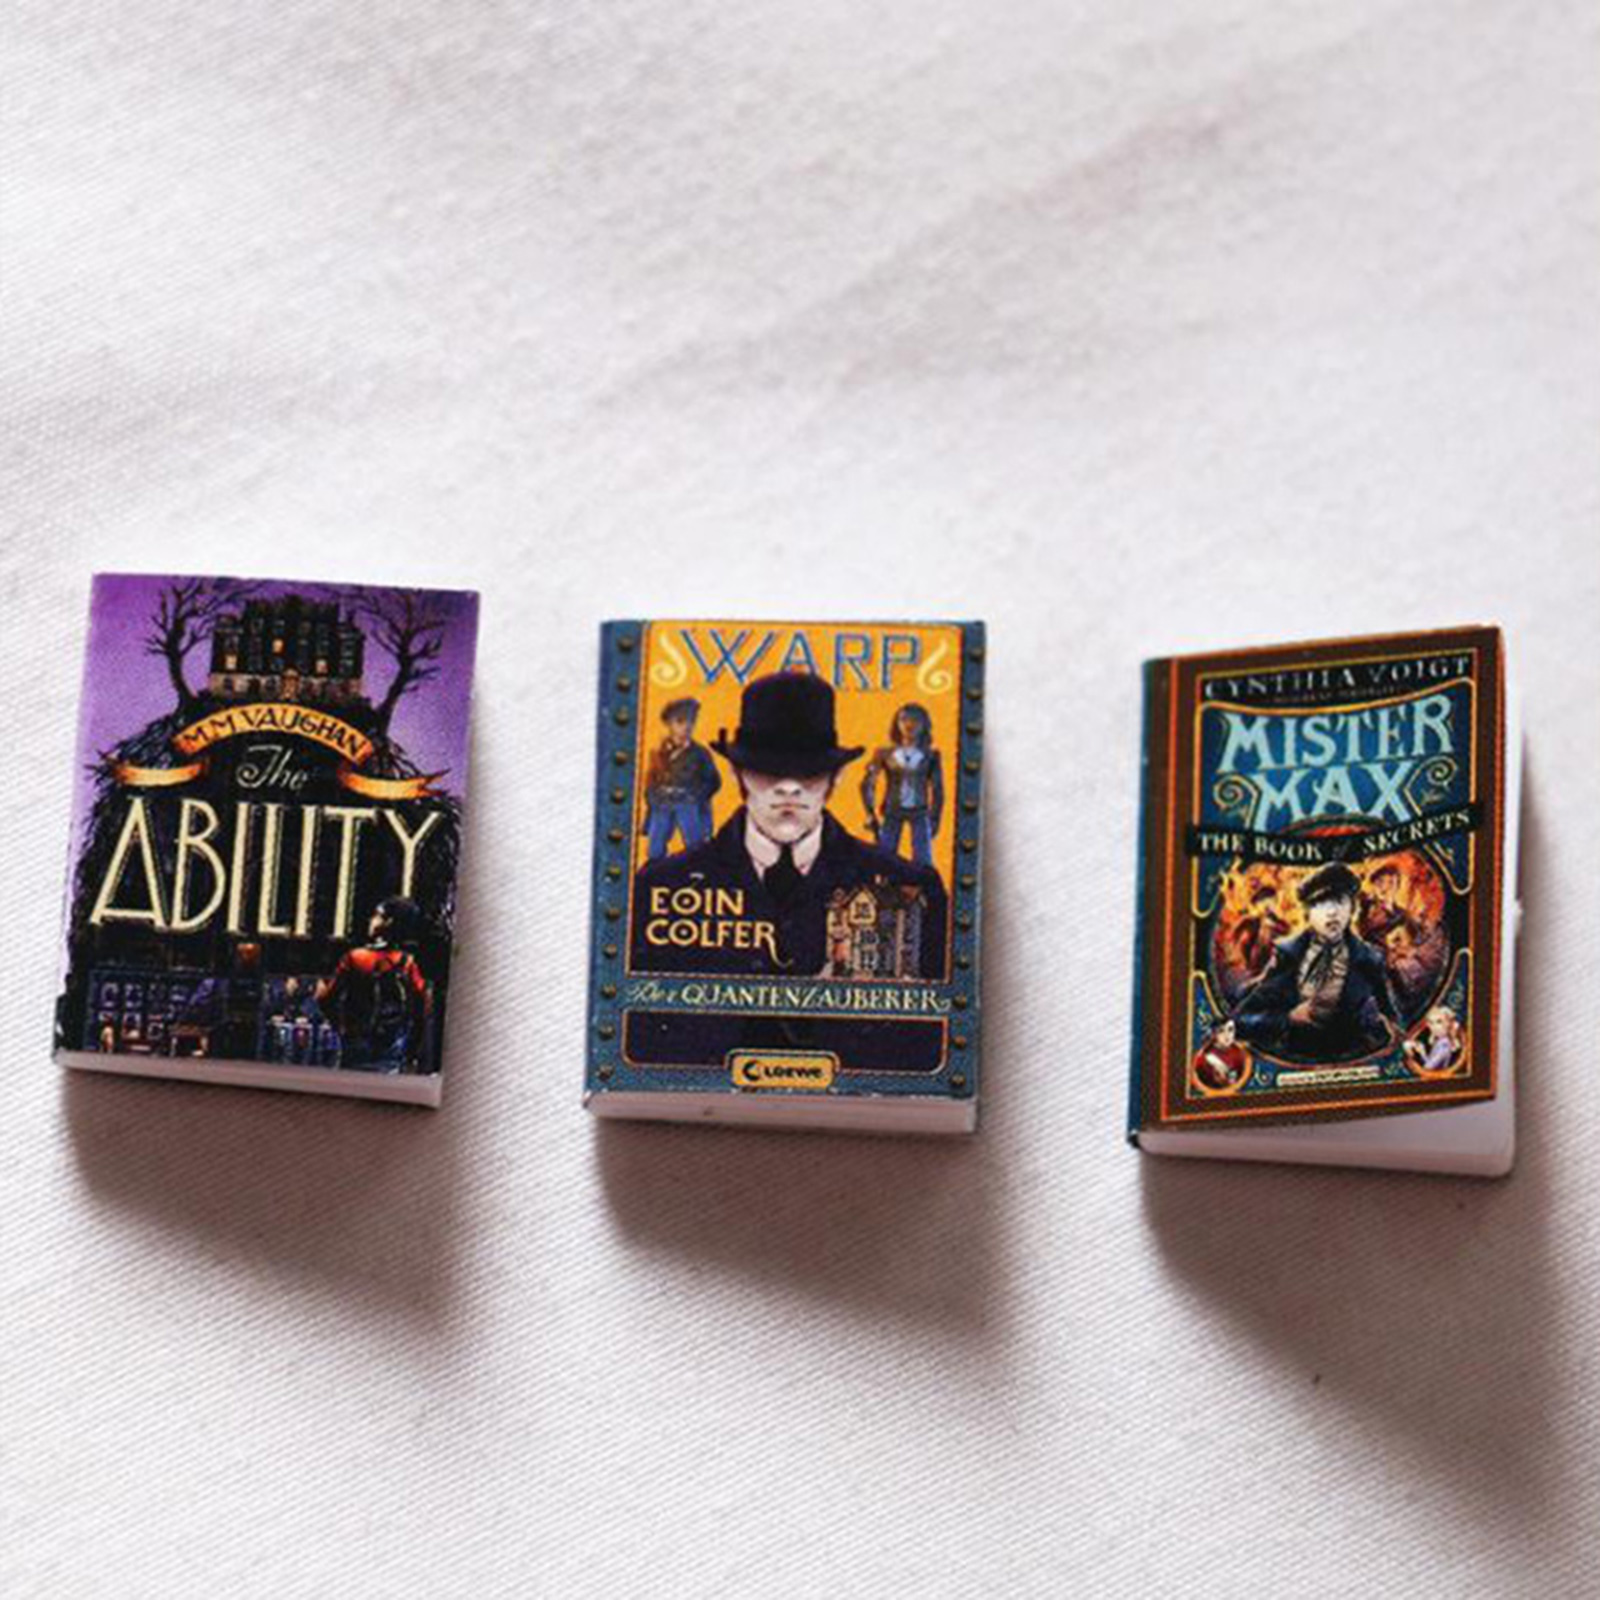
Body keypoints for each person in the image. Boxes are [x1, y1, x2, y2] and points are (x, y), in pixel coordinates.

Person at [632, 673, 948, 980]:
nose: (788, 787)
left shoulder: (913, 887)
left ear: (836, 777)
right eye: (767, 769)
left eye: (808, 771)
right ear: (736, 773)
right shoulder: (659, 886)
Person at [1234, 862, 1400, 1059]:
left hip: (1354, 1060)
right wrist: (1288, 1018)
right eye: (1321, 904)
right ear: (1308, 913)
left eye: (1340, 902)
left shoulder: (1370, 959)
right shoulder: (1287, 956)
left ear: (1352, 909)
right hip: (1295, 1059)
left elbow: (1393, 1019)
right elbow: (1241, 1022)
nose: (1332, 912)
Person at [315, 896, 429, 1072]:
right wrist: (412, 1051)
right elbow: (421, 1010)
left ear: (388, 922)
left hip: (355, 1044)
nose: (371, 919)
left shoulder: (355, 958)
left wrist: (341, 1028)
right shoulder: (407, 963)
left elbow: (327, 999)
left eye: (377, 915)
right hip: (391, 1046)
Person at [860, 702, 944, 867]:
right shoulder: (884, 753)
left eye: (915, 720)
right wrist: (870, 813)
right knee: (885, 860)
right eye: (904, 719)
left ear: (924, 725)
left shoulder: (931, 755)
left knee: (923, 860)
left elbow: (937, 789)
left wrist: (935, 818)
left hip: (920, 811)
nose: (909, 725)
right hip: (892, 810)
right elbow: (867, 784)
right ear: (896, 723)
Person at [642, 697, 722, 860]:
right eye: (680, 721)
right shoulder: (659, 752)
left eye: (691, 722)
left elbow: (714, 781)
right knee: (655, 849)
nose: (687, 726)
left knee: (695, 847)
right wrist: (653, 798)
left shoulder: (700, 754)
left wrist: (695, 797)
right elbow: (651, 780)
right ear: (669, 724)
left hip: (688, 805)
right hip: (662, 804)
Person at [1192, 1017, 1250, 1091]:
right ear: (1214, 1034)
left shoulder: (1240, 1053)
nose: (1227, 1035)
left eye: (1230, 1030)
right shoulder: (1205, 1057)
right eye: (1221, 1031)